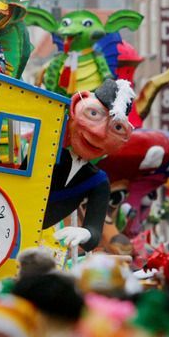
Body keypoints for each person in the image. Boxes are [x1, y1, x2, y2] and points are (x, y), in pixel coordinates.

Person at [44, 79, 135, 251]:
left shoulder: (97, 181)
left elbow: (94, 232)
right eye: (93, 114)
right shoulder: (45, 150)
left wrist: (85, 234)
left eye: (116, 128)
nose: (98, 133)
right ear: (76, 105)